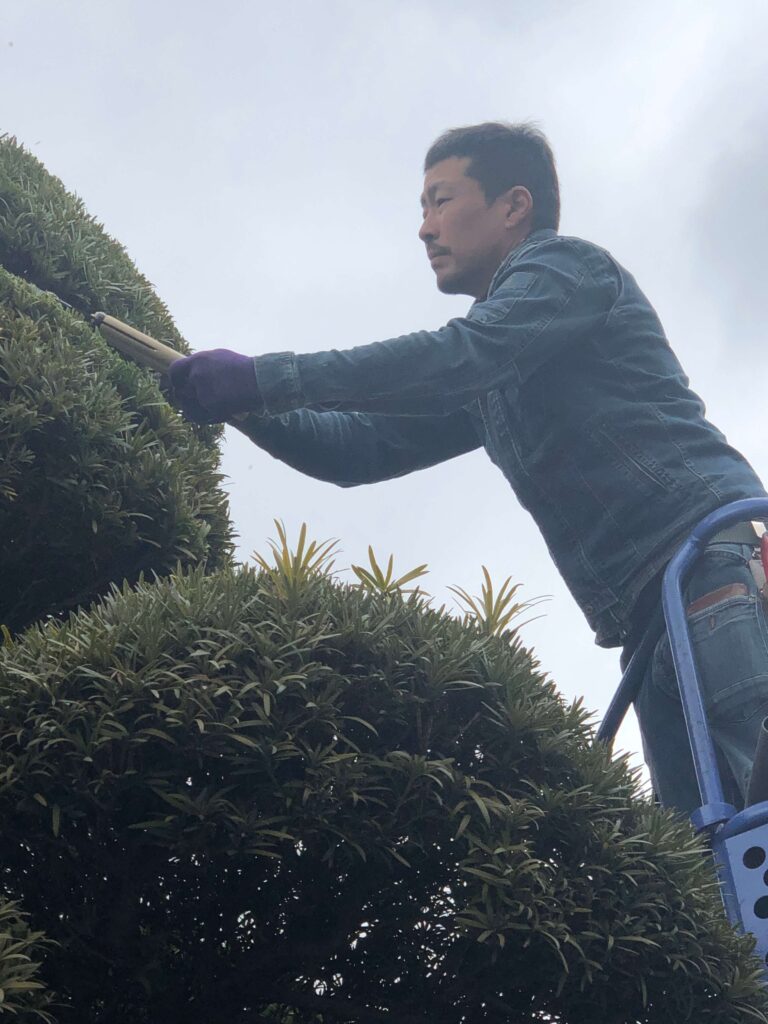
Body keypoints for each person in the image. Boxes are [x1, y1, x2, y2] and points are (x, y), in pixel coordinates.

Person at [168, 121, 768, 817]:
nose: (425, 228)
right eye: (422, 209)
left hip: (712, 565)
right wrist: (244, 406)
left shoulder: (565, 271)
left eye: (440, 200)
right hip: (653, 623)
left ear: (515, 205)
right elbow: (357, 449)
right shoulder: (494, 377)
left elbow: (459, 357)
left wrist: (267, 378)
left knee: (754, 815)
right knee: (714, 869)